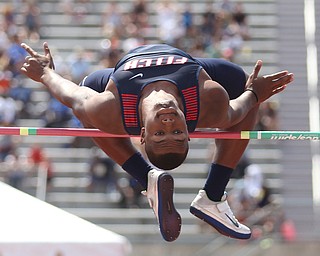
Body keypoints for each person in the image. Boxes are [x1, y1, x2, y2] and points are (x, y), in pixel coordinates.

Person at [20, 42, 293, 242]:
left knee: (88, 100)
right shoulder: (208, 100)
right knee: (243, 83)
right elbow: (237, 111)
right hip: (187, 68)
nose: (168, 125)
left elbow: (72, 96)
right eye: (177, 133)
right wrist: (255, 94)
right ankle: (213, 195)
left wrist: (45, 74)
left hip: (122, 78)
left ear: (141, 135)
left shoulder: (111, 109)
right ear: (189, 132)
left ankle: (146, 177)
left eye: (160, 135)